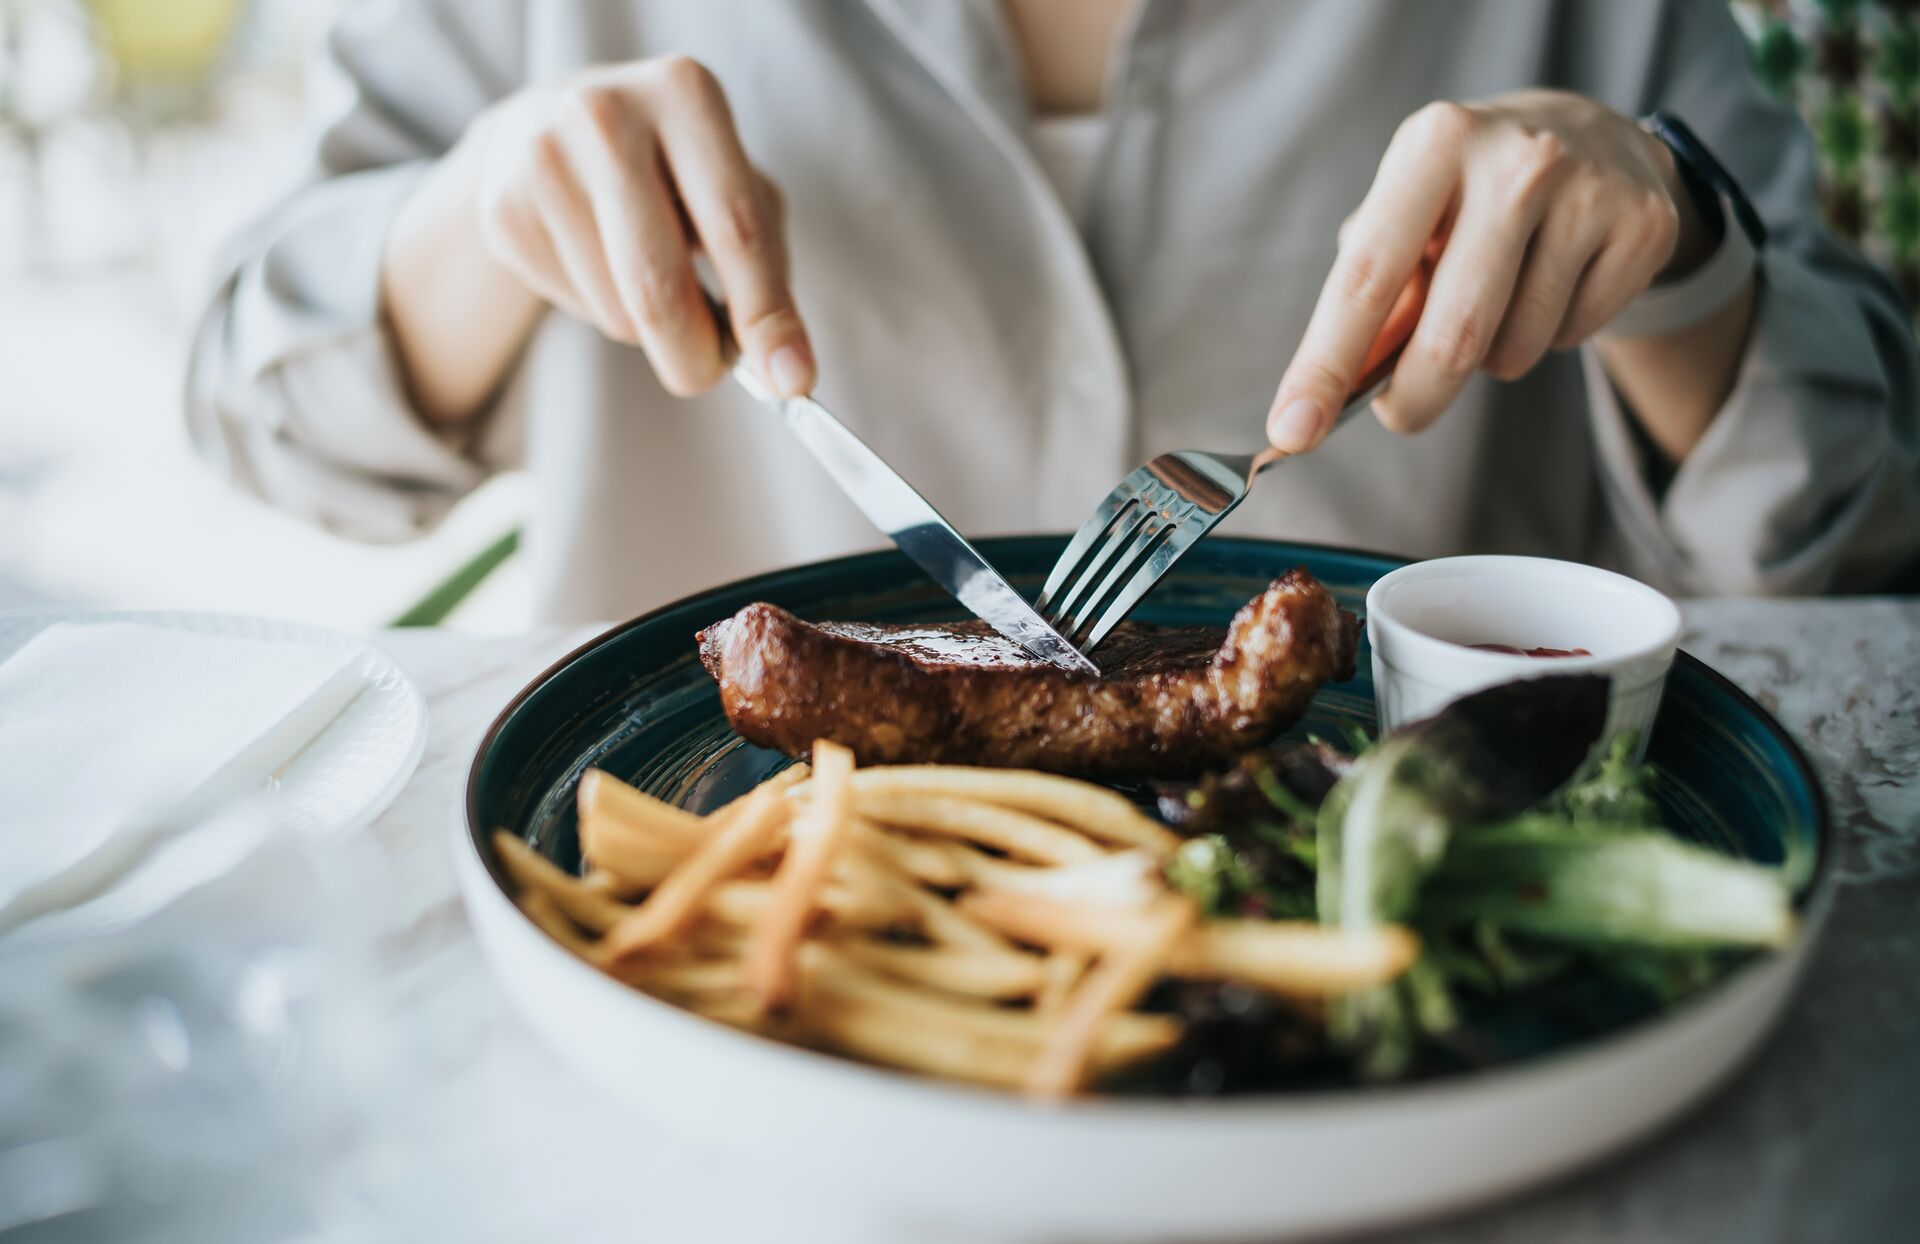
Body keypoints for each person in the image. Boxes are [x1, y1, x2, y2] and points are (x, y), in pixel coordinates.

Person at [186, 0, 1920, 624]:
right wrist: (482, 218)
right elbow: (256, 417)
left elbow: (1865, 526)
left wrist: (1684, 241)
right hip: (673, 1059)